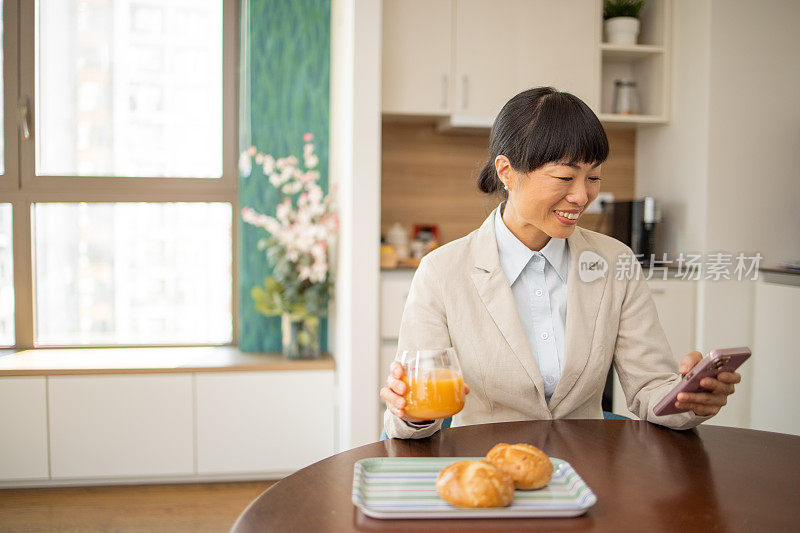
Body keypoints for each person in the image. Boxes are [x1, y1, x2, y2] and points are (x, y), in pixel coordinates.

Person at [380, 87, 741, 439]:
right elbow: (415, 407)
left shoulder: (616, 263)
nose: (582, 195)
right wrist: (410, 414)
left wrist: (690, 398)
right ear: (506, 172)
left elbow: (651, 389)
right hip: (487, 471)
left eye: (594, 177)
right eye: (565, 177)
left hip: (589, 471)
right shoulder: (442, 272)